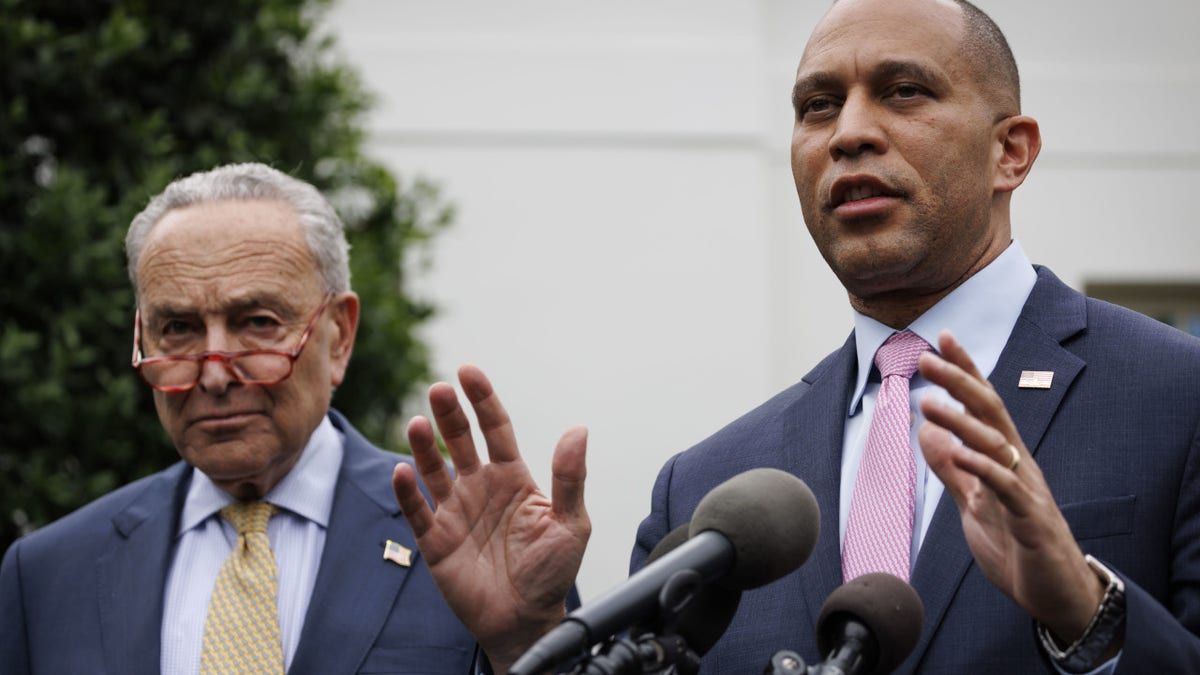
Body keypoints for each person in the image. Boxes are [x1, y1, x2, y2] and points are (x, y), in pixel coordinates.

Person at [391, 0, 1200, 673]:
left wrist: (1090, 614)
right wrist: (526, 637)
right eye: (818, 105)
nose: (848, 131)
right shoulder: (713, 489)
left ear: (1010, 151)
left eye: (904, 91)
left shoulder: (1175, 396)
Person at [0, 163, 480, 674]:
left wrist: (526, 636)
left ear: (339, 335)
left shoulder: (472, 532)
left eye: (257, 323)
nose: (214, 375)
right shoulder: (49, 576)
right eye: (179, 328)